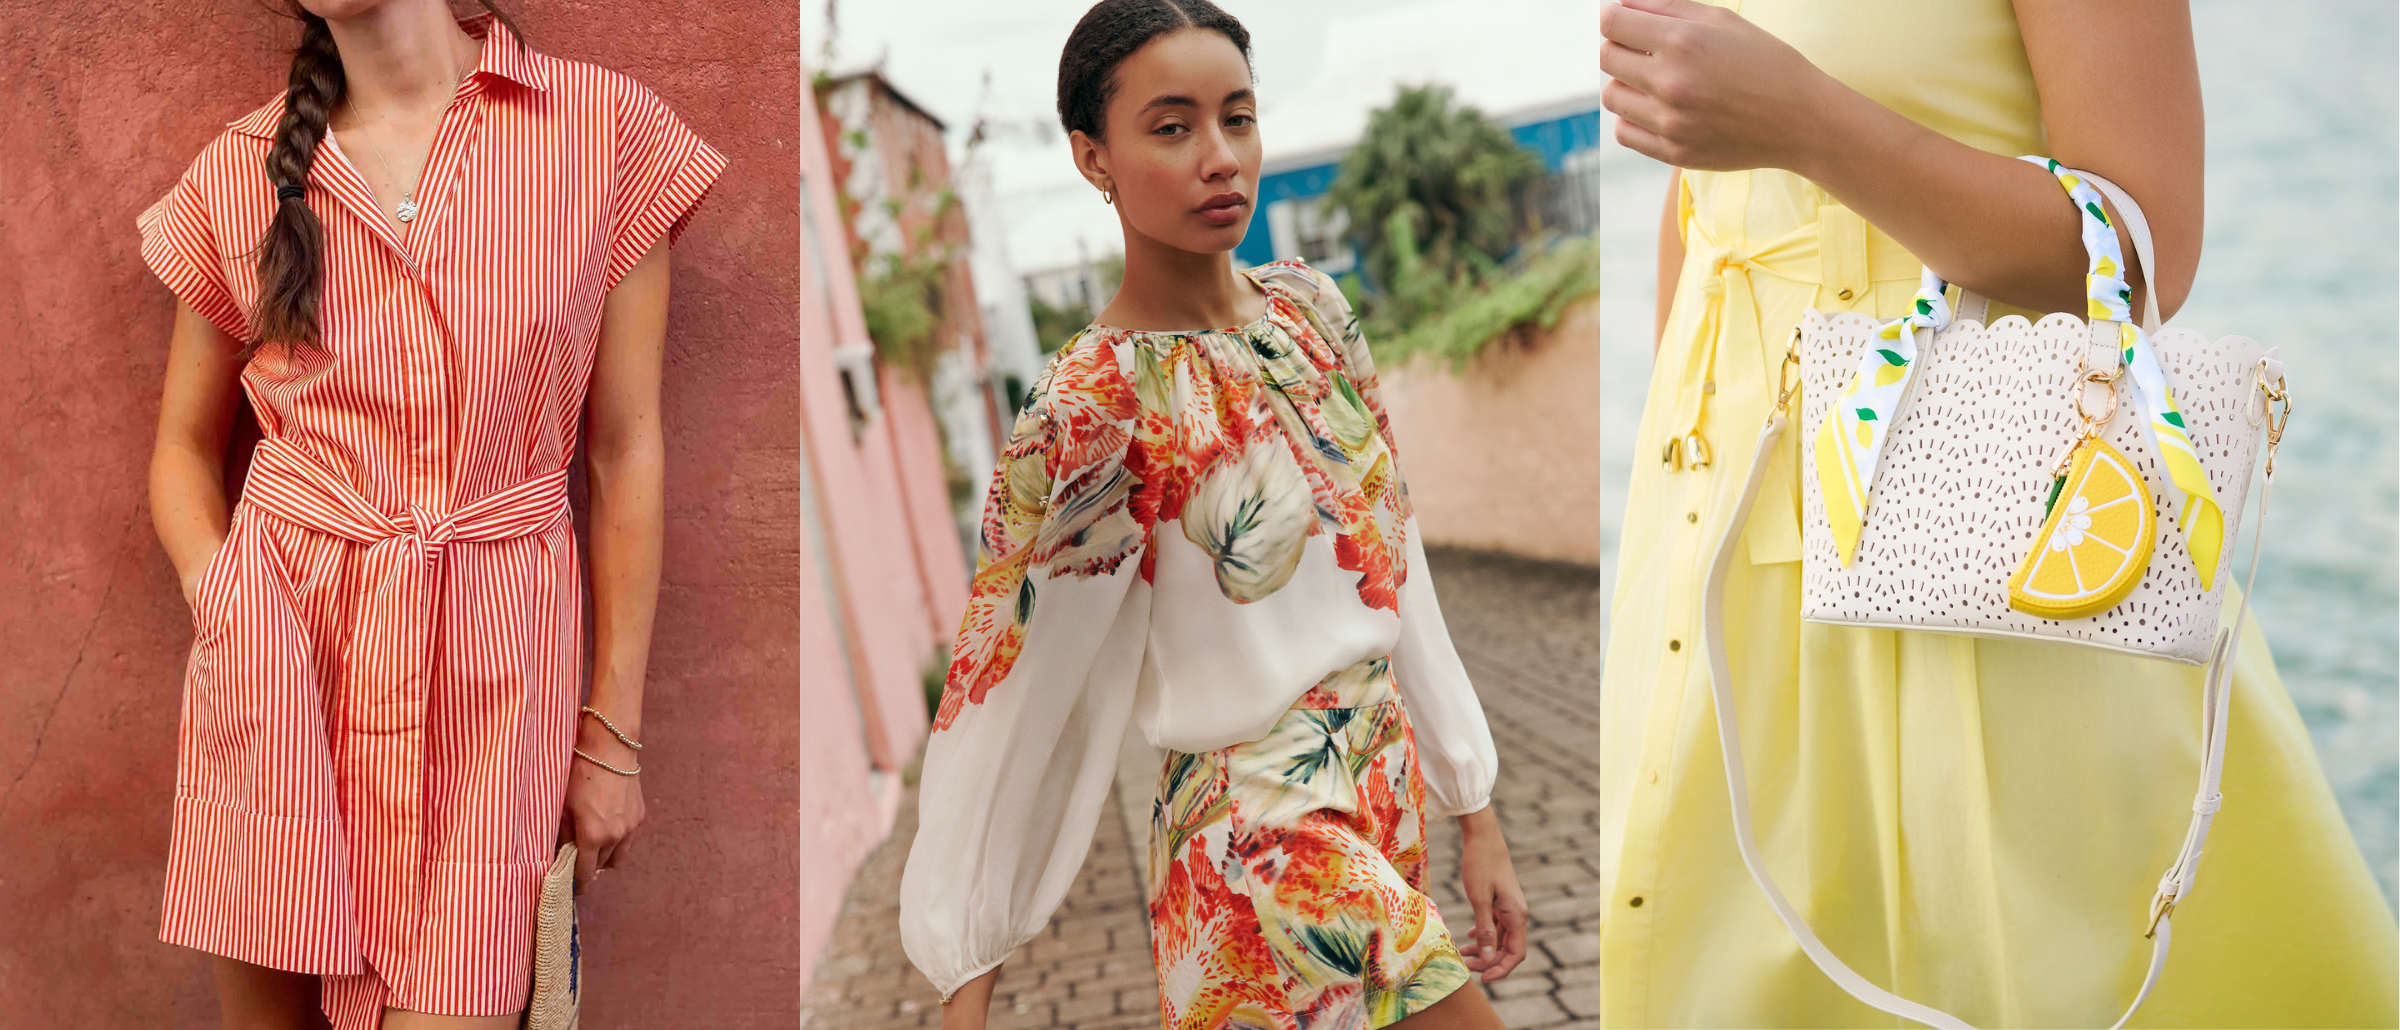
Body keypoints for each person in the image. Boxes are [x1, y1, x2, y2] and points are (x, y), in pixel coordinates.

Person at [1597, 0, 2397, 1025]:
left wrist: (1805, 121)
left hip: (1969, 542)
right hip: (1718, 529)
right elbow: (1708, 217)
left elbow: (2147, 247)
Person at [897, 1, 1531, 1027]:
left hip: (1382, 779)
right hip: (1258, 833)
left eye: (1238, 118)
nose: (1221, 157)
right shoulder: (1091, 405)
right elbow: (1013, 683)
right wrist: (965, 965)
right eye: (1172, 126)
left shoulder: (1313, 314)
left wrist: (1474, 802)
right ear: (1092, 157)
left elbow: (1394, 552)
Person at [142, 1, 722, 1026]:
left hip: (497, 678)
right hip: (281, 667)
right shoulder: (238, 174)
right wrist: (224, 596)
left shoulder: (602, 130)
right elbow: (184, 448)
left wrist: (612, 735)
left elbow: (624, 451)